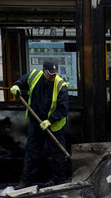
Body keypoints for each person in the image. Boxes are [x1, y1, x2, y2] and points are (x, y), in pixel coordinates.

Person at [10, 60, 69, 189]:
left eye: (54, 74)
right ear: (43, 70)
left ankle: (59, 182)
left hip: (54, 126)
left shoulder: (60, 86)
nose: (53, 76)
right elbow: (22, 81)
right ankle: (25, 181)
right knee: (32, 152)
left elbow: (63, 109)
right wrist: (17, 85)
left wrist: (50, 120)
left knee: (56, 154)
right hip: (36, 123)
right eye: (50, 74)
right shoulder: (34, 76)